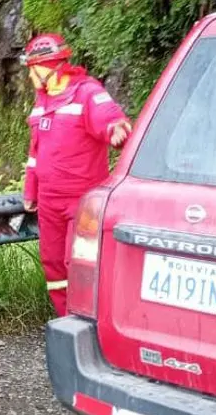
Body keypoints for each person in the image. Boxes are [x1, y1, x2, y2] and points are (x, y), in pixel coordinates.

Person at [20, 33, 132, 316]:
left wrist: (116, 129)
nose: (30, 76)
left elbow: (109, 117)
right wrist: (30, 191)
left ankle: (90, 322)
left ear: (49, 67)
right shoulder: (41, 101)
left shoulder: (87, 91)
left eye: (33, 69)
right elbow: (35, 153)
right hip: (49, 201)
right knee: (53, 263)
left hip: (81, 200)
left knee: (80, 262)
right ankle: (66, 321)